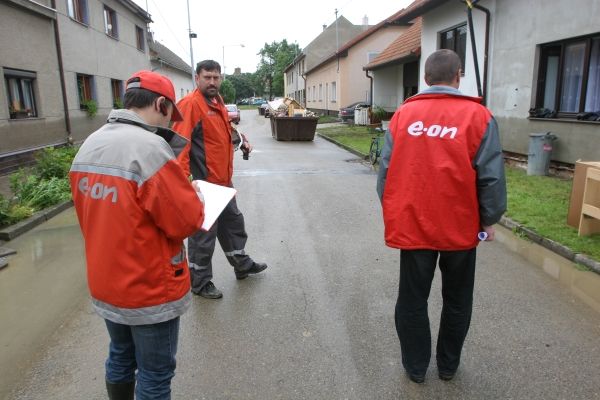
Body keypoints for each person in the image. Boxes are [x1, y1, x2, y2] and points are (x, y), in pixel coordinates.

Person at [69, 70, 205, 400]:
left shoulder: (91, 144)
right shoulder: (150, 149)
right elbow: (185, 222)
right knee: (155, 374)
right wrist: (196, 196)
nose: (171, 125)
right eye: (170, 115)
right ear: (160, 102)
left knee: (120, 356)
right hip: (148, 286)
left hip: (107, 282)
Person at [376, 49, 507, 384]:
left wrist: (395, 210)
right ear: (458, 75)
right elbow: (490, 177)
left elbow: (386, 173)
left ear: (426, 78)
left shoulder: (404, 115)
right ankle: (448, 366)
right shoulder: (479, 117)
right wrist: (488, 220)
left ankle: (416, 367)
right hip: (461, 228)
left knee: (412, 299)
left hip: (414, 224)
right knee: (458, 299)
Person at [172, 60, 267, 299]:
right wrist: (186, 183)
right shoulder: (191, 105)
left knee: (234, 224)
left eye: (216, 77)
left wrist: (241, 139)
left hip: (223, 182)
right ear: (197, 78)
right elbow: (180, 147)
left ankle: (241, 264)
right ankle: (200, 282)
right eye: (207, 77)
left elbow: (225, 132)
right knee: (203, 237)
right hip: (204, 185)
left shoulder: (217, 103)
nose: (212, 82)